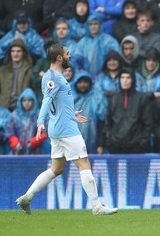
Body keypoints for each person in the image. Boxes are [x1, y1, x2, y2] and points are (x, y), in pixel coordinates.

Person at [15, 43, 117, 216]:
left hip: (58, 127)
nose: (70, 56)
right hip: (66, 130)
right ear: (60, 58)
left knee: (57, 168)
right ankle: (96, 206)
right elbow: (47, 100)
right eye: (67, 54)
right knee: (84, 164)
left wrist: (71, 114)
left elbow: (56, 102)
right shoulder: (55, 77)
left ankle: (27, 196)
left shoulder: (51, 76)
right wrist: (40, 121)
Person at [99, 69, 153, 154]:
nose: (125, 80)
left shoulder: (141, 98)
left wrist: (142, 143)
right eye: (122, 77)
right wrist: (109, 142)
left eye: (128, 78)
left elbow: (148, 124)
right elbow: (107, 123)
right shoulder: (114, 98)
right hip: (115, 146)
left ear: (133, 80)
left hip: (136, 147)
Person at [0, 39, 33, 111]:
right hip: (4, 109)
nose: (15, 54)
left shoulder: (30, 71)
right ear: (10, 53)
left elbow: (34, 90)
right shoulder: (2, 70)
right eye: (13, 51)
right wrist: (0, 102)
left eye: (18, 51)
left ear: (23, 53)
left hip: (24, 109)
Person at [5, 88, 48, 155]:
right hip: (17, 152)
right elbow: (10, 132)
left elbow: (45, 133)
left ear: (34, 101)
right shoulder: (14, 116)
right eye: (24, 100)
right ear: (20, 102)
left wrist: (33, 142)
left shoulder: (40, 115)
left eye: (29, 100)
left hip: (36, 152)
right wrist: (16, 144)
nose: (27, 103)